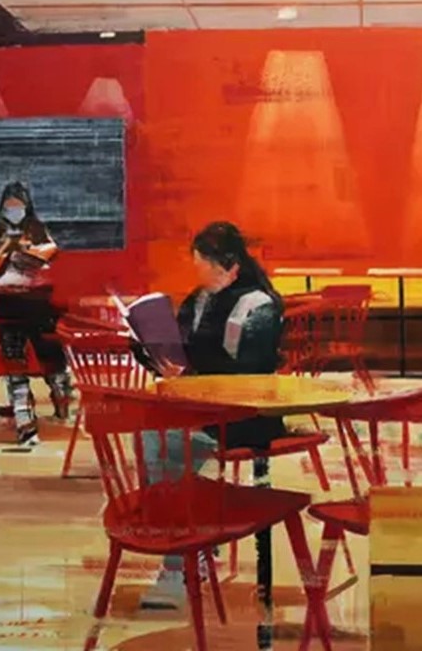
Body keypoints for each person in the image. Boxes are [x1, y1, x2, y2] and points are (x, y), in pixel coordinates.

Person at [134, 221, 288, 609]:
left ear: (228, 265)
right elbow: (181, 348)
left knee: (160, 445)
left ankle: (179, 563)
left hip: (245, 416)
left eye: (202, 263)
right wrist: (151, 352)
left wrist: (193, 371)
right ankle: (190, 545)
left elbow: (252, 371)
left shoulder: (258, 305)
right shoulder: (199, 300)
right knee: (155, 441)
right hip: (202, 410)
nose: (197, 270)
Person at [0, 182, 72, 446]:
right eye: (9, 206)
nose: (13, 211)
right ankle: (25, 423)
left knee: (50, 356)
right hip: (6, 303)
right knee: (14, 361)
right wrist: (5, 247)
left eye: (18, 206)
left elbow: (50, 252)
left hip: (37, 302)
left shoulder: (36, 229)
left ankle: (61, 400)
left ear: (27, 207)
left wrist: (23, 248)